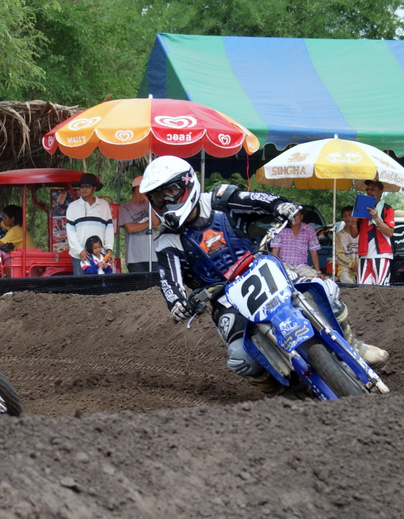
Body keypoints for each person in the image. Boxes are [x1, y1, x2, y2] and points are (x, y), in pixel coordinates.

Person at [139, 155, 387, 391]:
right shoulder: (167, 241)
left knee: (323, 291)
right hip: (223, 299)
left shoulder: (220, 200)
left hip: (261, 268)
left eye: (170, 192)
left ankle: (352, 344)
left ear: (187, 184)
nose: (166, 201)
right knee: (240, 357)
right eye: (158, 197)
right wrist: (178, 304)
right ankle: (280, 394)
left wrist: (281, 206)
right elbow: (169, 282)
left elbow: (258, 199)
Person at [66, 173, 114, 277]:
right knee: (81, 286)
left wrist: (109, 249)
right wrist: (80, 250)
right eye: (82, 186)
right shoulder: (72, 207)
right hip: (80, 256)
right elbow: (70, 232)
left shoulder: (104, 205)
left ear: (94, 188)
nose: (84, 189)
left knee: (102, 285)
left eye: (87, 186)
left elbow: (109, 229)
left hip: (100, 256)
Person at [356, 180, 394, 285]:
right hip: (364, 254)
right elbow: (354, 234)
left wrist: (376, 218)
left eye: (373, 189)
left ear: (380, 192)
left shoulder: (387, 209)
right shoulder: (361, 209)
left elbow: (390, 232)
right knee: (361, 289)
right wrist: (354, 222)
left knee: (381, 288)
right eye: (367, 189)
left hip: (381, 254)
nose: (369, 192)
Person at [119, 175, 160, 272]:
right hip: (135, 257)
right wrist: (149, 224)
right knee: (138, 282)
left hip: (153, 255)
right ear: (137, 188)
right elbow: (130, 228)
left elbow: (156, 222)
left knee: (156, 281)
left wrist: (149, 203)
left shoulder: (150, 205)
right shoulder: (125, 207)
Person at [270, 209, 323, 279]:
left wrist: (318, 271)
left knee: (313, 278)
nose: (293, 217)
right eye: (291, 215)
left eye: (295, 215)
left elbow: (313, 251)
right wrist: (273, 267)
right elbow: (275, 250)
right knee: (282, 278)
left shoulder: (309, 229)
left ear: (301, 217)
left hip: (301, 267)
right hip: (284, 266)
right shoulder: (280, 229)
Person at [334, 205, 359, 283]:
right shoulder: (339, 235)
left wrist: (357, 265)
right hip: (345, 267)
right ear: (342, 218)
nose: (348, 218)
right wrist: (352, 265)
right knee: (348, 282)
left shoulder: (362, 233)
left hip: (360, 266)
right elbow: (338, 255)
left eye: (350, 215)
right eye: (345, 216)